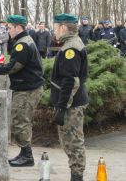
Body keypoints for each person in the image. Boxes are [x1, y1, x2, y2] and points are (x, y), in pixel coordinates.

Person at [0, 15, 44, 167]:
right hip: (26, 87)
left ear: (18, 27)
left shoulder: (23, 45)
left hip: (28, 89)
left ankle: (27, 157)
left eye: (9, 28)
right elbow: (14, 63)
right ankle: (24, 152)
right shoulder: (23, 41)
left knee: (21, 121)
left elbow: (13, 67)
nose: (7, 31)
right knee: (20, 120)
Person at [50, 13, 89, 181]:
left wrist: (61, 106)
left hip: (71, 104)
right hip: (71, 102)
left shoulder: (70, 48)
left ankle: (77, 177)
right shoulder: (71, 43)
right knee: (70, 142)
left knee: (73, 142)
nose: (54, 31)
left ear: (63, 27)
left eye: (55, 27)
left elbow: (70, 81)